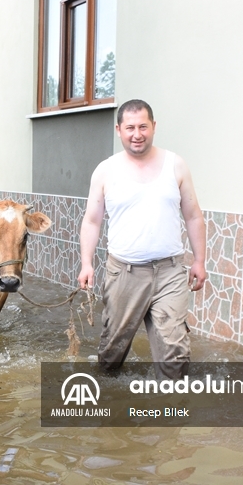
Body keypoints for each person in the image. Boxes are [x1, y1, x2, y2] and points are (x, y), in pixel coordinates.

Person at [77, 99, 206, 378]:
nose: (137, 134)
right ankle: (109, 406)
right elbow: (91, 220)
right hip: (125, 272)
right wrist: (86, 263)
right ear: (119, 130)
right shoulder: (105, 170)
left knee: (175, 352)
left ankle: (167, 414)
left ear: (154, 127)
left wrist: (199, 261)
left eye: (143, 127)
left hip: (170, 272)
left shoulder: (176, 165)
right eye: (130, 127)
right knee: (113, 352)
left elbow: (193, 215)